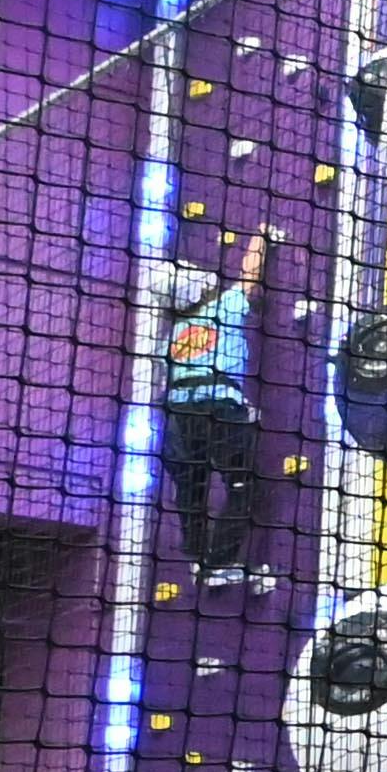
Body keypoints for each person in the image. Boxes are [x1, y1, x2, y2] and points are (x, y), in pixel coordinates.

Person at [148, 226, 277, 580]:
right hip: (219, 408)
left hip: (178, 416)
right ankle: (219, 560)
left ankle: (197, 557)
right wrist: (261, 237)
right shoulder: (224, 307)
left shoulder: (169, 338)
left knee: (191, 489)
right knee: (242, 485)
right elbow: (250, 276)